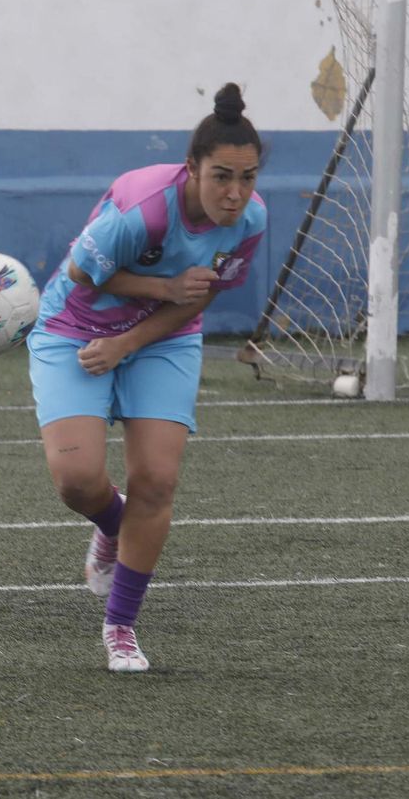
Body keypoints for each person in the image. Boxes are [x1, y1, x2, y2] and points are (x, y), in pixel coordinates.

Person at [27, 83, 266, 672]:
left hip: (164, 337)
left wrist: (132, 341)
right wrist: (157, 290)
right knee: (77, 481)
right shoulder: (143, 207)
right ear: (192, 168)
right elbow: (83, 273)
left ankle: (121, 627)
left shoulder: (250, 220)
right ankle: (112, 523)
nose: (235, 195)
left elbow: (199, 300)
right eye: (221, 177)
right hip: (74, 327)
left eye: (248, 178)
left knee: (157, 481)